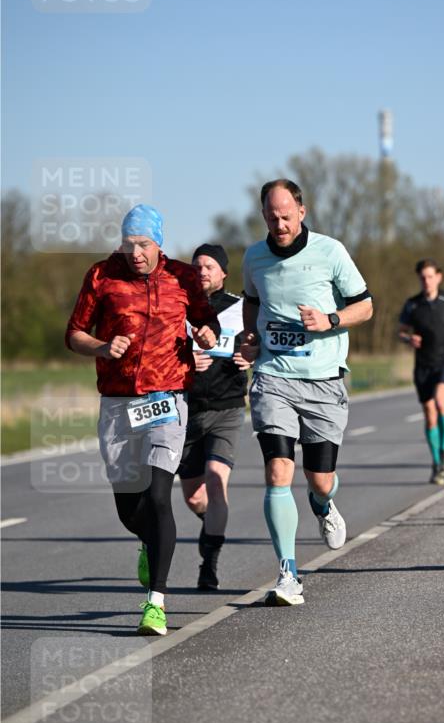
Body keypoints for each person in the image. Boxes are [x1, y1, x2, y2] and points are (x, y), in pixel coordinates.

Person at [65, 204, 219, 635]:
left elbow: (206, 324)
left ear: (159, 244)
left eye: (144, 244)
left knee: (156, 495)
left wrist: (206, 334)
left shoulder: (183, 277)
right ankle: (147, 543)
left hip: (166, 398)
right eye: (129, 243)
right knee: (128, 506)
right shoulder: (101, 276)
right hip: (117, 403)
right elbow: (73, 333)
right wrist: (99, 347)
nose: (136, 252)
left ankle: (156, 602)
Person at [239, 179, 373, 606]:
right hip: (273, 376)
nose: (279, 223)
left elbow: (366, 305)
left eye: (285, 215)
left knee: (319, 479)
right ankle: (288, 573)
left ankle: (324, 504)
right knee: (278, 470)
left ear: (302, 210)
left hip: (322, 380)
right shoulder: (254, 257)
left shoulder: (330, 251)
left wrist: (331, 320)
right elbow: (252, 301)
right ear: (263, 215)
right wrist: (249, 336)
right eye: (271, 216)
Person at [178, 243, 250, 590]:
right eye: (197, 266)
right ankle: (213, 525)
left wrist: (251, 356)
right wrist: (186, 362)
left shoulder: (240, 307)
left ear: (223, 272)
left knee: (216, 479)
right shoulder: (178, 307)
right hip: (186, 410)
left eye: (209, 266)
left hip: (227, 407)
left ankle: (210, 562)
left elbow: (260, 343)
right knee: (193, 495)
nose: (202, 271)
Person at [398, 259, 444, 486]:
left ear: (439, 277)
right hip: (423, 365)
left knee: (440, 401)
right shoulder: (412, 304)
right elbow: (401, 331)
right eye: (422, 277)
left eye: (430, 276)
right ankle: (437, 462)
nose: (426, 281)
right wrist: (409, 338)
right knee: (429, 412)